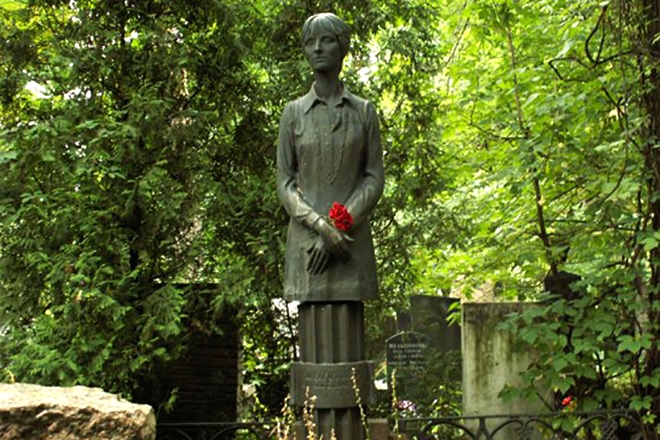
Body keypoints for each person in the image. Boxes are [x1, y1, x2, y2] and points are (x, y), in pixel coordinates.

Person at [277, 12, 384, 303]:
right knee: (313, 323)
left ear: (342, 46)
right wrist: (321, 226)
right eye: (310, 42)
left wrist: (339, 226)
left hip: (351, 244)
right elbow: (285, 185)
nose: (317, 48)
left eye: (326, 40)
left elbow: (374, 179)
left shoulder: (363, 112)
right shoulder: (293, 114)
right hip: (307, 246)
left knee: (349, 323)